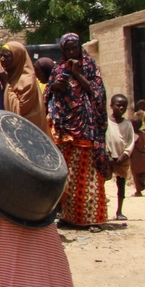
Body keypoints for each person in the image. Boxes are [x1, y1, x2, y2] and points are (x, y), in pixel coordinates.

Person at [46, 33, 110, 227]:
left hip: (86, 127)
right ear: (63, 50)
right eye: (68, 49)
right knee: (67, 174)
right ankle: (68, 216)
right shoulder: (58, 68)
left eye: (75, 48)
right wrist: (55, 86)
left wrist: (78, 74)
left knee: (86, 172)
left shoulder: (90, 66)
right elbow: (47, 93)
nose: (73, 52)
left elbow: (98, 93)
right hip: (64, 127)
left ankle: (91, 218)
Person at [0, 41, 49, 133]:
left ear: (17, 57)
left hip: (28, 132)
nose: (2, 59)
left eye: (6, 56)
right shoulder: (9, 76)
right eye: (0, 55)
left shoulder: (27, 80)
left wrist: (6, 84)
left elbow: (20, 111)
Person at [106, 94, 134, 221]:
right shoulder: (106, 122)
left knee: (121, 185)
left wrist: (125, 154)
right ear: (111, 106)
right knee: (101, 182)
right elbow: (103, 139)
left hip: (122, 159)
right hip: (108, 158)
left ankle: (119, 211)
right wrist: (107, 154)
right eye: (118, 105)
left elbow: (131, 141)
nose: (121, 108)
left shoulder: (127, 124)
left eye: (124, 106)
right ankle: (101, 210)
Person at [129, 117, 145, 196]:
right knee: (143, 172)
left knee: (136, 174)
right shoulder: (143, 133)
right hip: (143, 156)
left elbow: (132, 143)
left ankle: (138, 191)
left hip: (135, 157)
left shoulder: (134, 135)